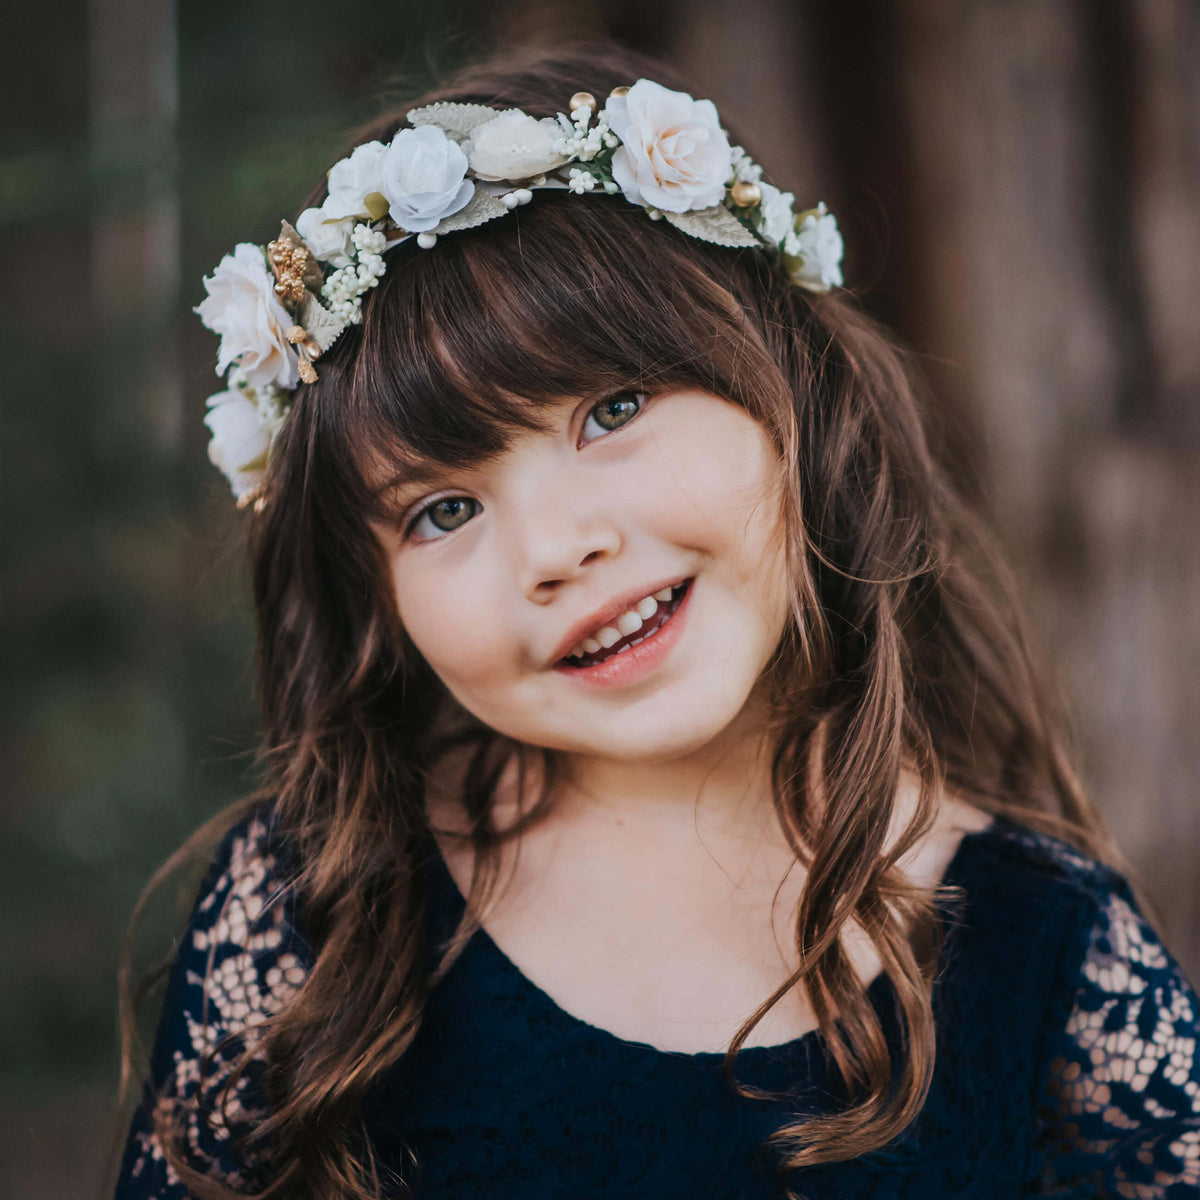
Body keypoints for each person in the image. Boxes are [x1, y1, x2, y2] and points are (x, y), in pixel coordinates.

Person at [108, 39, 1200, 1200]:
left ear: (790, 392)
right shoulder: (319, 920)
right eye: (441, 510)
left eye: (611, 409)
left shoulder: (1048, 950)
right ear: (372, 598)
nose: (554, 550)